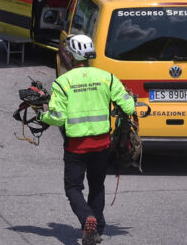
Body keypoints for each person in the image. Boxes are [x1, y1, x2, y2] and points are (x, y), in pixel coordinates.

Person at [37, 34, 135, 245]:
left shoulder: (63, 83)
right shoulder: (106, 77)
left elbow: (57, 117)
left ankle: (87, 218)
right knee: (97, 186)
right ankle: (96, 229)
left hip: (76, 147)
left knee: (73, 188)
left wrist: (42, 115)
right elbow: (129, 107)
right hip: (101, 145)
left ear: (71, 56)